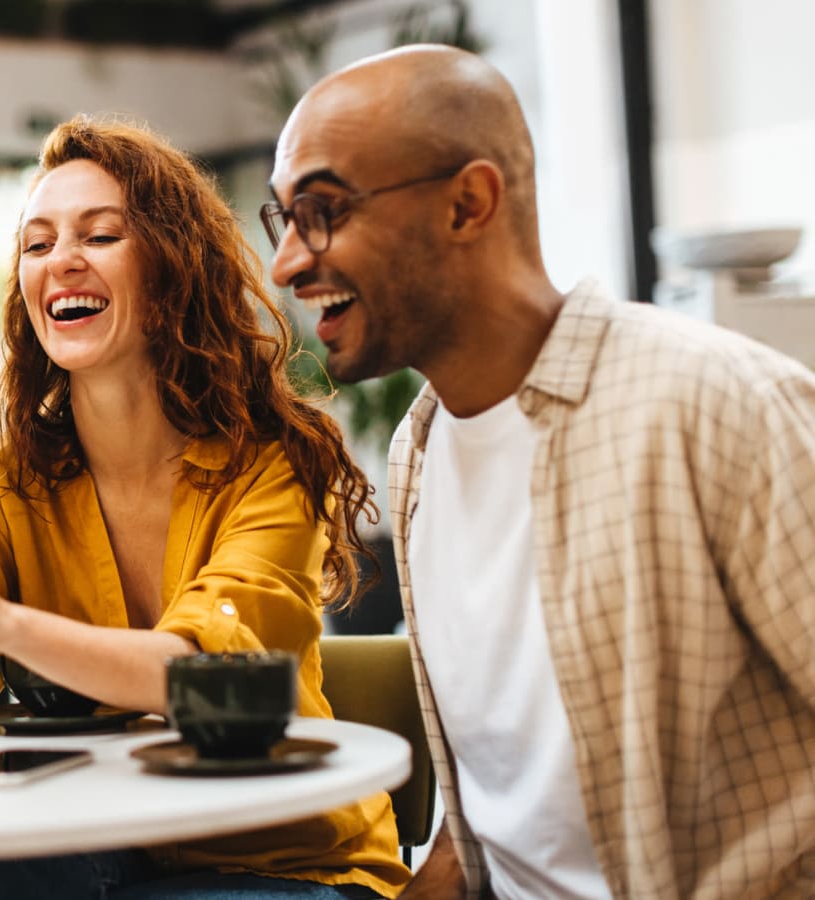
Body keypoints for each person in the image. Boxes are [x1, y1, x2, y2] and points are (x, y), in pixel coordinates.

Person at [0, 116, 408, 899]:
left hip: (282, 863)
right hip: (99, 849)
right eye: (37, 245)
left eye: (101, 236)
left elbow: (203, 674)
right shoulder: (0, 482)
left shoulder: (269, 465)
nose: (61, 262)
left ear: (174, 269)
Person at [265, 46, 815, 900]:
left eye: (323, 210)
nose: (287, 263)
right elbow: (486, 828)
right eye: (283, 220)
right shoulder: (420, 456)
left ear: (468, 203)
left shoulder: (712, 404)